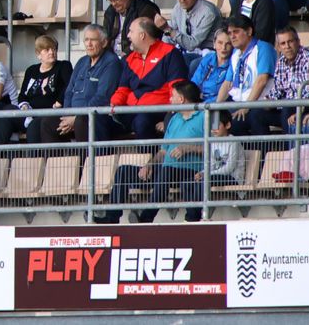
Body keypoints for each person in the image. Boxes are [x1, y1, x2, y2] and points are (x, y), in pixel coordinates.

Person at [99, 81, 208, 224]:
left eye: (172, 96)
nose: (170, 100)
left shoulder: (204, 117)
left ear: (181, 99)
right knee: (123, 171)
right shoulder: (174, 119)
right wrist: (149, 165)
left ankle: (146, 217)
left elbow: (215, 148)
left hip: (189, 171)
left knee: (166, 171)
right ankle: (111, 218)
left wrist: (188, 148)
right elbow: (163, 151)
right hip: (166, 169)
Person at [59, 25, 123, 141]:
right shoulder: (82, 61)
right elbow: (69, 92)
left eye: (93, 40)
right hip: (74, 115)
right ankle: (56, 159)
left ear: (104, 43)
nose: (88, 44)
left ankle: (85, 159)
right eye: (86, 40)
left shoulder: (111, 62)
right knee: (43, 123)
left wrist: (76, 117)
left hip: (97, 116)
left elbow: (102, 97)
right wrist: (67, 114)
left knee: (81, 121)